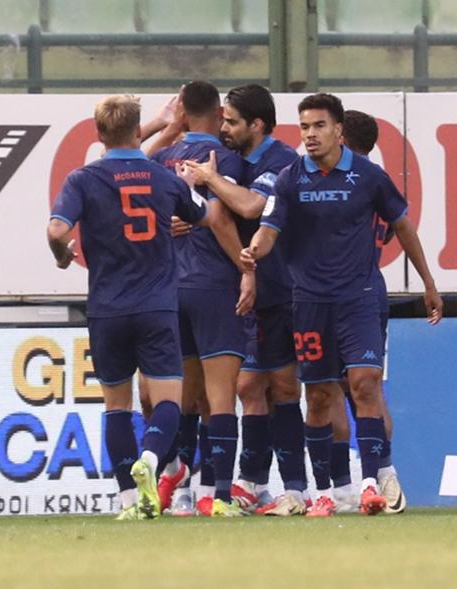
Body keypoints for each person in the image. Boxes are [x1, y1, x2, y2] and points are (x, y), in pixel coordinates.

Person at [241, 93, 443, 516]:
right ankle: (325, 493)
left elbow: (402, 226)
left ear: (338, 130)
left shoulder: (368, 176)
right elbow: (269, 228)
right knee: (318, 396)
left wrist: (428, 281)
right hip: (309, 302)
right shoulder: (289, 179)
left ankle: (371, 482)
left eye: (319, 126)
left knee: (365, 383)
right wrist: (254, 250)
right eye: (304, 127)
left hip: (360, 298)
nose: (310, 135)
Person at [47, 95, 212, 520]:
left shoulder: (82, 180)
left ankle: (126, 501)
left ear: (98, 133)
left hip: (108, 309)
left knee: (116, 407)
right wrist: (192, 189)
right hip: (156, 306)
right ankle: (152, 462)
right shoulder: (163, 178)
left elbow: (57, 229)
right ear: (138, 129)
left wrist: (62, 255)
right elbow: (204, 215)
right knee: (169, 401)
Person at [184, 84, 309, 516]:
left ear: (257, 125)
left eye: (232, 121)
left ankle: (296, 487)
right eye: (222, 119)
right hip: (240, 289)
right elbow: (213, 213)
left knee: (283, 386)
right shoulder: (227, 158)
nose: (224, 127)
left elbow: (253, 206)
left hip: (280, 288)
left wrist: (210, 179)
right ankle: (253, 482)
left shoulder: (282, 160)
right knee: (248, 386)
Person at [150, 80, 253, 517]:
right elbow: (223, 220)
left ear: (183, 113)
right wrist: (248, 271)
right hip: (213, 283)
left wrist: (167, 128)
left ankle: (183, 490)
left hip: (171, 287)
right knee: (220, 396)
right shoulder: (224, 159)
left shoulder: (159, 160)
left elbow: (124, 168)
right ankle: (219, 493)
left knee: (184, 398)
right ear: (218, 111)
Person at [329, 109, 405, 514]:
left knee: (332, 389)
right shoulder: (380, 181)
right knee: (368, 391)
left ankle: (344, 487)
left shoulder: (343, 181)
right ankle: (384, 473)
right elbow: (392, 229)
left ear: (340, 135)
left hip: (340, 290)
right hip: (370, 287)